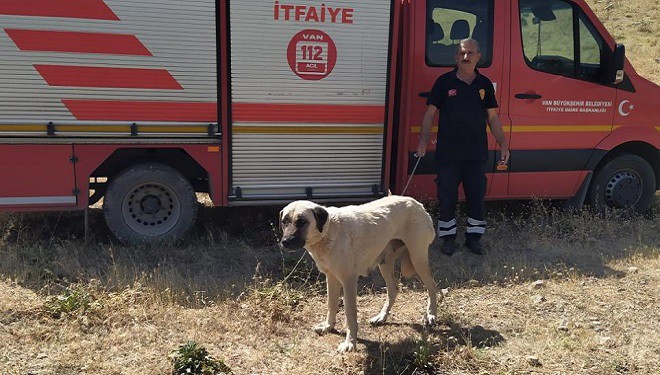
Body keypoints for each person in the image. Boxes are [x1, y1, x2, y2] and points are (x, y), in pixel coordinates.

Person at [416, 38, 510, 256]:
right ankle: (448, 240)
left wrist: (503, 143)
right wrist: (423, 139)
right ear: (456, 57)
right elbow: (429, 113)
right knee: (446, 198)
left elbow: (493, 118)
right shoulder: (444, 82)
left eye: (470, 53)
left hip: (476, 154)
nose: (465, 57)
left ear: (478, 57)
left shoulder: (484, 85)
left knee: (476, 198)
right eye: (461, 53)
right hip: (448, 154)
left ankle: (474, 240)